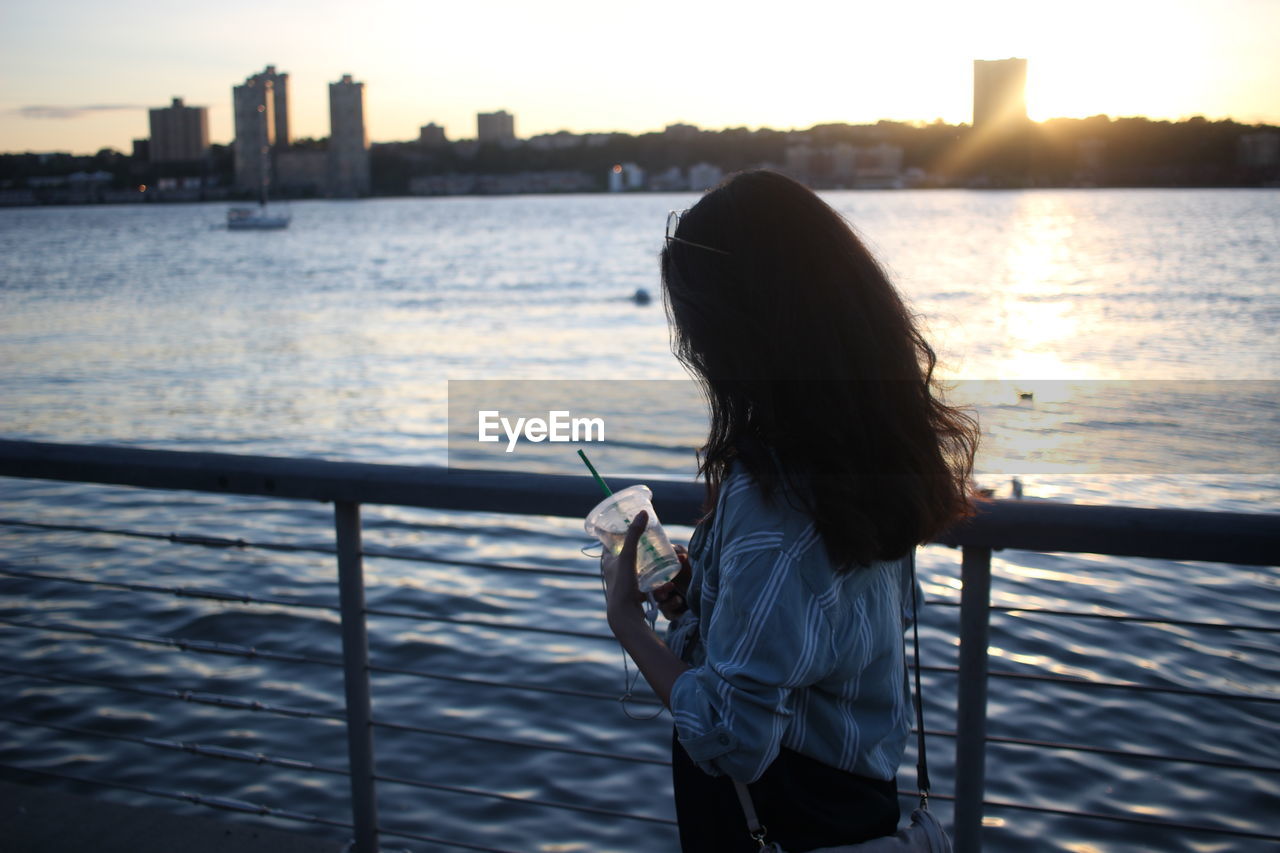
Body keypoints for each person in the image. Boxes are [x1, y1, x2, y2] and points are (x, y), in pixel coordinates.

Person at [600, 170, 979, 852]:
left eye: (699, 331)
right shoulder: (864, 456)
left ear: (741, 331)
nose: (696, 352)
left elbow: (732, 736)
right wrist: (700, 603)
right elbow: (813, 642)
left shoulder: (775, 496)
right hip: (859, 811)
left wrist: (632, 625)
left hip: (783, 828)